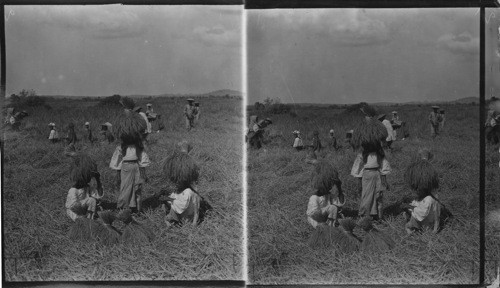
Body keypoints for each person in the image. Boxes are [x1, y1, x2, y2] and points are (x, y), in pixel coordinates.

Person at [109, 112, 150, 213]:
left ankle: (137, 209)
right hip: (126, 168)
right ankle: (123, 208)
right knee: (125, 187)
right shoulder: (121, 147)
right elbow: (117, 162)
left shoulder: (138, 147)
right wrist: (117, 174)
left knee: (137, 188)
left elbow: (142, 160)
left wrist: (143, 173)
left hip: (135, 167)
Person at [351, 130, 391, 221]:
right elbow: (357, 168)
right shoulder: (362, 154)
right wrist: (359, 182)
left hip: (377, 174)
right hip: (367, 175)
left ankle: (378, 216)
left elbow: (384, 167)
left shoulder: (379, 154)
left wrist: (384, 180)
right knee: (366, 195)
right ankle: (364, 215)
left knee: (378, 195)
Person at [163, 141, 202, 226]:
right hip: (188, 219)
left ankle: (170, 220)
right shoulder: (191, 164)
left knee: (167, 200)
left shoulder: (188, 191)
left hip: (185, 218)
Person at [404, 160, 442, 234]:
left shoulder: (428, 199)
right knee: (407, 213)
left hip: (427, 227)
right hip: (428, 222)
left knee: (407, 224)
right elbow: (417, 203)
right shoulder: (432, 195)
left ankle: (412, 230)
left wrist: (411, 208)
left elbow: (421, 214)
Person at [65, 153, 103, 221]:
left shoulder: (88, 187)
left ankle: (89, 218)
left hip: (86, 209)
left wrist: (98, 181)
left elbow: (98, 196)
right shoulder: (73, 190)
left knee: (95, 204)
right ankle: (88, 220)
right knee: (91, 201)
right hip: (75, 212)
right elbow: (72, 206)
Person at [306, 161, 345, 227]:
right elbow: (313, 214)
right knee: (333, 208)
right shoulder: (314, 198)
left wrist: (339, 188)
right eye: (328, 186)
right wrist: (327, 211)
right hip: (317, 220)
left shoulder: (329, 195)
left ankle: (331, 225)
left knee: (334, 208)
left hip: (328, 219)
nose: (330, 187)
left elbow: (340, 204)